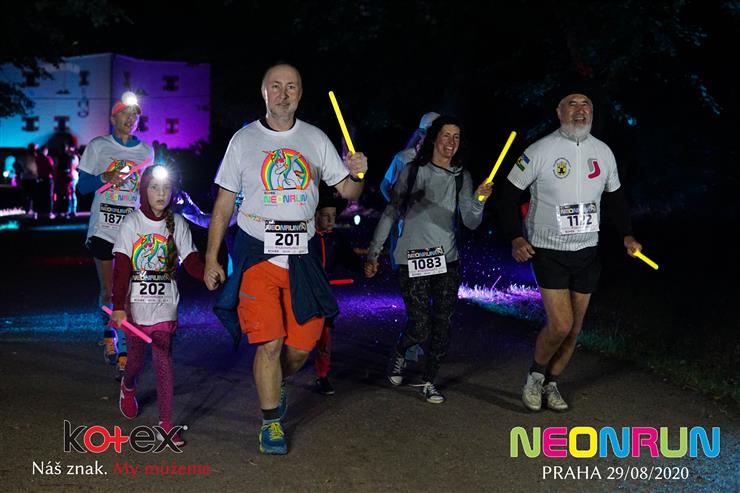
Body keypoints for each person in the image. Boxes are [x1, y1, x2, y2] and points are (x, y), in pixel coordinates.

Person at [204, 63, 367, 455]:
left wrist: (358, 174)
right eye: (275, 86)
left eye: (291, 87)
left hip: (302, 257)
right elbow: (224, 204)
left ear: (300, 93)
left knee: (299, 349)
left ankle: (275, 385)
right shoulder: (244, 140)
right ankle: (270, 423)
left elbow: (349, 192)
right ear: (264, 93)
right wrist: (212, 257)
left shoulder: (315, 138)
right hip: (257, 254)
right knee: (270, 343)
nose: (283, 93)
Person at [496, 93, 644, 412]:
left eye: (585, 104)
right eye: (572, 104)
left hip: (587, 251)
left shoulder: (603, 152)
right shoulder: (539, 150)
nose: (580, 110)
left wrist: (628, 234)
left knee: (575, 328)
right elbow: (507, 197)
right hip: (548, 250)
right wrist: (515, 238)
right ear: (559, 111)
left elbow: (616, 198)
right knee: (561, 324)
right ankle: (535, 376)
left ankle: (552, 384)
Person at [364, 116, 493, 404]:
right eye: (446, 135)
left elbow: (470, 221)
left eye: (456, 137)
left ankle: (429, 380)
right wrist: (374, 252)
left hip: (447, 259)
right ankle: (401, 351)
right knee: (420, 324)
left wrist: (479, 200)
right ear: (433, 138)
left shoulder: (461, 176)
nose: (451, 142)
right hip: (413, 258)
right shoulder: (411, 171)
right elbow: (390, 213)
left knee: (442, 323)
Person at [110, 165, 204, 446]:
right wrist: (118, 306)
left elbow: (191, 261)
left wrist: (209, 274)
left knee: (163, 362)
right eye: (154, 188)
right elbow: (121, 268)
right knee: (136, 361)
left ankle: (165, 424)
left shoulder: (178, 223)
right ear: (144, 191)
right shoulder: (132, 223)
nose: (161, 193)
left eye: (166, 188)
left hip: (165, 305)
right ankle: (128, 386)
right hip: (136, 308)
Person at [77, 93, 153, 377]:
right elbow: (82, 187)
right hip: (103, 228)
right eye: (125, 113)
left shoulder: (146, 152)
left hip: (131, 231)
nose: (130, 119)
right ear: (113, 117)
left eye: (135, 115)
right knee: (109, 290)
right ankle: (110, 336)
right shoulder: (99, 146)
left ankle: (124, 352)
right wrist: (104, 178)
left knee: (128, 293)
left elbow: (148, 191)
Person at [308, 184, 361, 395]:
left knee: (325, 335)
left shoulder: (337, 239)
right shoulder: (305, 238)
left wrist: (365, 267)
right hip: (305, 292)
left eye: (333, 216)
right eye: (325, 216)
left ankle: (322, 374)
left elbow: (351, 260)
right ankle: (281, 372)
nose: (331, 221)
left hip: (325, 296)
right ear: (314, 216)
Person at [19, 144, 39, 218]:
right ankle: (29, 210)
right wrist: (22, 171)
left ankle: (29, 209)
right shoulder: (28, 157)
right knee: (30, 195)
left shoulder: (35, 157)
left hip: (28, 178)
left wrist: (21, 171)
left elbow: (15, 165)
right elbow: (15, 165)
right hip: (30, 178)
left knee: (29, 195)